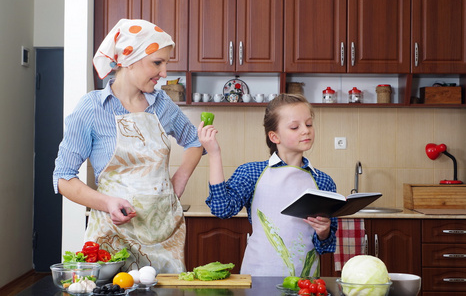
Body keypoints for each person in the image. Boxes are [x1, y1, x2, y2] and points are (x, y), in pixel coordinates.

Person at [53, 19, 203, 273]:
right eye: (158, 62)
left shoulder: (162, 103)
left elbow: (195, 141)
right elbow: (63, 178)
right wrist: (107, 202)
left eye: (166, 63)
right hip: (112, 235)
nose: (164, 73)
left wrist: (179, 179)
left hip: (163, 234)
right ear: (129, 59)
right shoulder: (92, 108)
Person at [197, 94, 337, 277]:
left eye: (309, 124)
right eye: (295, 127)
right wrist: (214, 153)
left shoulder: (323, 181)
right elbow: (221, 209)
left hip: (305, 282)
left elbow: (326, 245)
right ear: (274, 136)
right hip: (258, 277)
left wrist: (324, 232)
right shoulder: (252, 173)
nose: (306, 130)